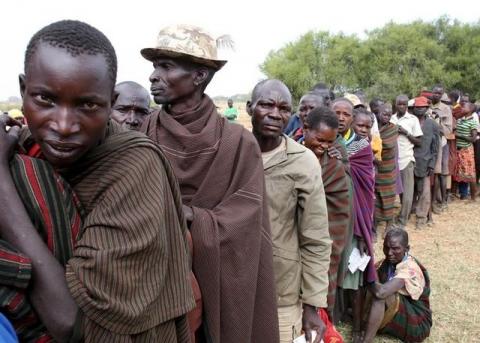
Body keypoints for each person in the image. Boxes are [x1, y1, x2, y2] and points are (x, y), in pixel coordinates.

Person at [0, 20, 194, 342]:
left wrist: (2, 187)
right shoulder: (22, 149)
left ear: (110, 100)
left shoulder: (134, 167)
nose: (63, 126)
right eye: (45, 100)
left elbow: (71, 322)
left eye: (87, 105)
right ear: (23, 91)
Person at [140, 24, 279, 343]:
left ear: (200, 75)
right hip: (152, 287)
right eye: (154, 66)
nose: (153, 76)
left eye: (166, 66)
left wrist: (191, 217)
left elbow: (247, 218)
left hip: (221, 286)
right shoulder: (143, 135)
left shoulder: (238, 144)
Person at [248, 79, 331, 343]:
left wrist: (312, 305)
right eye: (266, 105)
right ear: (250, 108)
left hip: (281, 292)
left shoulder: (303, 162)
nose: (275, 114)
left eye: (284, 108)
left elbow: (316, 239)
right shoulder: (232, 152)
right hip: (233, 287)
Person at [332, 98, 376, 343]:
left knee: (354, 275)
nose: (340, 118)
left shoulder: (361, 146)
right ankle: (333, 319)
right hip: (328, 219)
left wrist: (363, 229)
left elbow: (367, 190)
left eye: (345, 114)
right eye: (336, 113)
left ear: (352, 117)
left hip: (352, 220)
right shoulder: (322, 139)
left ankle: (358, 328)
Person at [304, 106, 351, 321]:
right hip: (289, 237)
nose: (324, 147)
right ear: (305, 129)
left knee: (319, 284)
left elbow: (340, 210)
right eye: (320, 140)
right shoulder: (289, 153)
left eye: (330, 143)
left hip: (325, 236)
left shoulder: (334, 166)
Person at [363, 228, 432, 343]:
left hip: (417, 323)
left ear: (407, 249)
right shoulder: (388, 263)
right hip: (401, 312)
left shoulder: (409, 268)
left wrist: (369, 276)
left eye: (395, 248)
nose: (389, 253)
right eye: (386, 247)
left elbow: (381, 292)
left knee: (380, 295)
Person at [391, 95, 423, 229]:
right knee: (399, 192)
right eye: (399, 104)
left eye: (404, 104)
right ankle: (401, 215)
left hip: (406, 159)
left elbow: (419, 142)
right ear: (395, 104)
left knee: (408, 193)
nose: (402, 107)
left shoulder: (413, 119)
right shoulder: (391, 118)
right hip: (392, 160)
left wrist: (406, 133)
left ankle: (402, 220)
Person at [411, 97, 440, 229]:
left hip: (425, 162)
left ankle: (421, 218)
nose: (419, 109)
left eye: (422, 107)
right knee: (409, 191)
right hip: (409, 161)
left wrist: (432, 164)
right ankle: (409, 213)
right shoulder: (410, 121)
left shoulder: (432, 124)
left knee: (424, 192)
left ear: (427, 108)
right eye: (417, 107)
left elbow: (435, 146)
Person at [374, 103, 398, 232]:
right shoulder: (373, 127)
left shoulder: (393, 128)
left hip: (388, 169)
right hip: (375, 169)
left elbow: (388, 145)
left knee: (389, 197)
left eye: (389, 115)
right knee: (375, 197)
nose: (387, 117)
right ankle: (375, 225)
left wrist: (374, 143)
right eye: (384, 114)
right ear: (378, 113)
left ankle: (389, 225)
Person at [430, 85, 453, 212]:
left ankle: (441, 201)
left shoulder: (445, 109)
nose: (437, 95)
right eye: (435, 92)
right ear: (431, 92)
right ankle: (431, 201)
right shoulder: (426, 106)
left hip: (440, 144)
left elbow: (448, 130)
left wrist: (437, 123)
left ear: (442, 94)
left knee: (440, 173)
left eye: (439, 93)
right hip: (426, 143)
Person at [455, 102, 478, 201]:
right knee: (459, 173)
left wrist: (459, 135)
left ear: (470, 110)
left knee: (470, 174)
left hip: (467, 150)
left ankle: (473, 197)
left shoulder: (473, 122)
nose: (462, 108)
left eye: (464, 107)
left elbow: (473, 139)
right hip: (458, 149)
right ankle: (463, 194)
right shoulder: (460, 119)